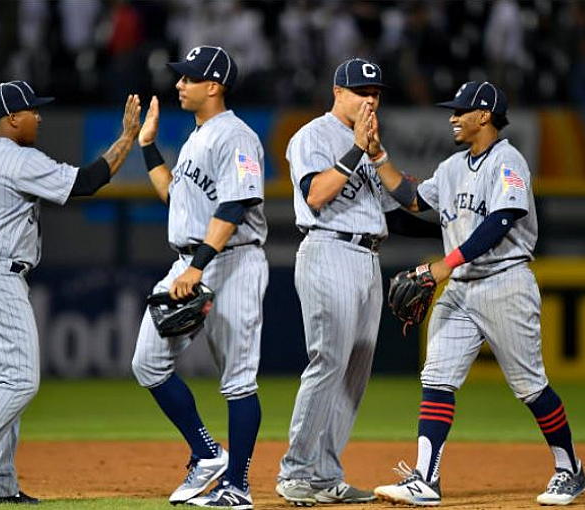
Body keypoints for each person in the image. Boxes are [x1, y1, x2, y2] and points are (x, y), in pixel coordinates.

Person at [370, 81, 584, 506]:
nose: (452, 118)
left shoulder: (508, 161)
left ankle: (570, 469)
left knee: (531, 387)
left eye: (460, 111)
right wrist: (378, 157)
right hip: (461, 289)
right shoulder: (452, 167)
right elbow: (413, 200)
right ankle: (425, 478)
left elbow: (500, 221)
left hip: (505, 282)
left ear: (484, 116)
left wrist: (443, 265)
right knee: (436, 378)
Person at [0, 80, 141, 504]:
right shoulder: (17, 159)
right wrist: (127, 137)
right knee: (21, 380)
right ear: (11, 118)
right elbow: (86, 182)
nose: (39, 117)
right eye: (32, 111)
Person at [275, 58, 441, 506]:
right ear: (338, 92)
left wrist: (447, 233)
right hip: (328, 248)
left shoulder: (369, 145)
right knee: (328, 360)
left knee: (354, 374)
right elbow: (316, 194)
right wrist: (356, 150)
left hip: (368, 256)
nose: (370, 100)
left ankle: (325, 474)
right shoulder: (312, 135)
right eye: (361, 92)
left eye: (376, 93)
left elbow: (390, 215)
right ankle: (295, 472)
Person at [131, 46, 268, 510]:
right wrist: (148, 146)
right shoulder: (197, 137)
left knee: (238, 379)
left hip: (232, 260)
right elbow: (174, 196)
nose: (179, 84)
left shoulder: (237, 136)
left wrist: (197, 266)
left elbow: (235, 204)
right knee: (147, 363)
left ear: (214, 86)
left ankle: (238, 487)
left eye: (188, 77)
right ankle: (208, 453)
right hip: (192, 260)